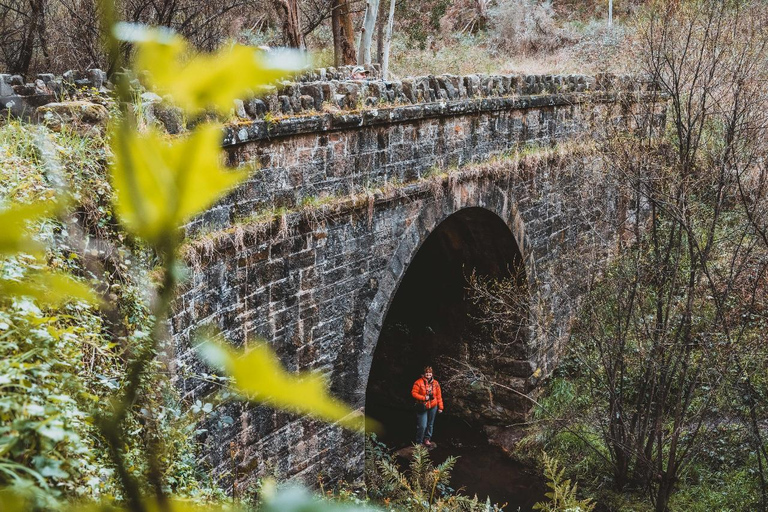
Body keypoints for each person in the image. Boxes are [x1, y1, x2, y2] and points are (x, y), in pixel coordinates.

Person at [411, 366, 443, 447]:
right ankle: (419, 442)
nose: (428, 374)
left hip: (433, 405)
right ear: (424, 374)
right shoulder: (418, 382)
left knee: (430, 424)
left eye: (430, 373)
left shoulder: (436, 383)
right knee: (422, 425)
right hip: (423, 406)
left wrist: (440, 407)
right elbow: (413, 393)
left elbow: (439, 396)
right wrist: (424, 398)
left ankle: (427, 439)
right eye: (427, 373)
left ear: (432, 374)